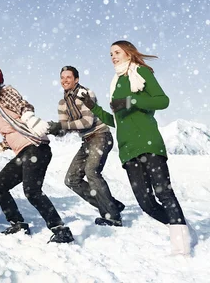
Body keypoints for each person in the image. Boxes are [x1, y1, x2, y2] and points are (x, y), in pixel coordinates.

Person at [78, 41, 194, 255]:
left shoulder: (140, 72)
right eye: (110, 53)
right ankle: (181, 227)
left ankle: (182, 246)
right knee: (145, 202)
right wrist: (93, 107)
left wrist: (131, 101)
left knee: (164, 193)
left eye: (117, 52)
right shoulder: (115, 83)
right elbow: (114, 120)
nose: (113, 56)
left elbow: (162, 100)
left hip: (148, 143)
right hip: (128, 150)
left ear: (128, 53)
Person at [0, 65, 74, 243]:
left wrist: (30, 118)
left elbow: (22, 105)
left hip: (36, 148)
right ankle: (18, 224)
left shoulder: (4, 93)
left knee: (32, 191)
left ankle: (60, 229)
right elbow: (14, 133)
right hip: (24, 151)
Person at [47, 66, 124, 227]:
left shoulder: (85, 94)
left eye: (68, 77)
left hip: (101, 135)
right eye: (62, 77)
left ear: (76, 79)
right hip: (87, 141)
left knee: (91, 171)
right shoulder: (62, 103)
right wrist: (53, 129)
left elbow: (87, 122)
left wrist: (63, 126)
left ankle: (112, 216)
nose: (65, 80)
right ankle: (110, 204)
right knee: (71, 179)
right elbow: (65, 128)